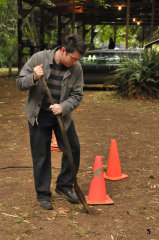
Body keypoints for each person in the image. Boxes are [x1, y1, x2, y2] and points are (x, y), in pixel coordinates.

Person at [16, 34, 86, 210]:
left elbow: (77, 95)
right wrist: (33, 77)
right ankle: (43, 194)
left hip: (62, 115)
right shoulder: (39, 58)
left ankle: (64, 186)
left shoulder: (77, 69)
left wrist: (63, 107)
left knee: (73, 149)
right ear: (63, 51)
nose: (75, 62)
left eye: (78, 59)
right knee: (41, 155)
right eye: (73, 58)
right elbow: (19, 82)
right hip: (39, 114)